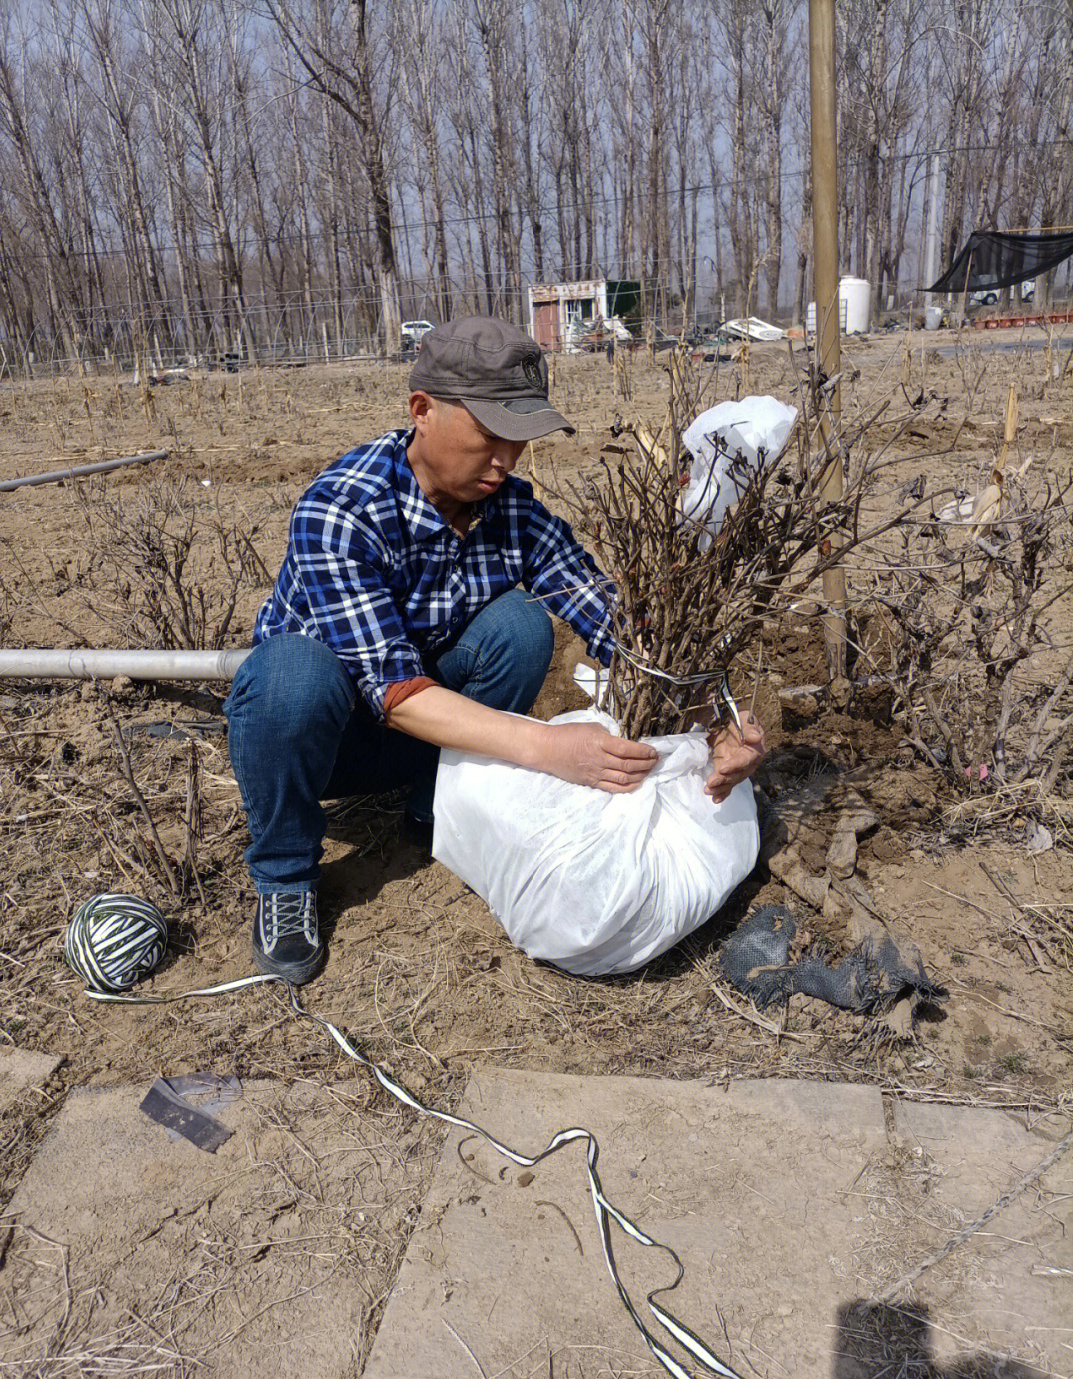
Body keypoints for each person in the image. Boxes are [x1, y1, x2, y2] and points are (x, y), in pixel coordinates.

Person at [225, 316, 765, 983]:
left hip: (430, 732)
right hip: (323, 741)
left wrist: (718, 718)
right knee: (292, 672)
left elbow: (621, 626)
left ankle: (433, 801)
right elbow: (393, 691)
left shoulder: (512, 513)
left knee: (521, 623)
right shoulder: (342, 510)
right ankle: (285, 875)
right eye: (489, 436)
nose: (505, 461)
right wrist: (548, 748)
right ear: (422, 411)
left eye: (519, 441)